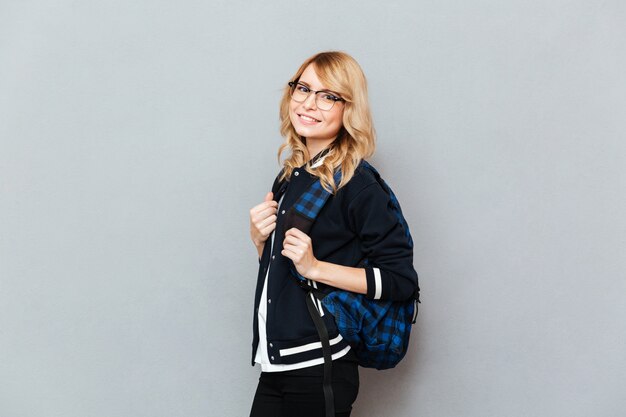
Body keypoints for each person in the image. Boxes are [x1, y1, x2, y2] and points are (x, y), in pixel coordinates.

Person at [248, 51, 418, 417]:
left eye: (328, 96)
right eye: (303, 88)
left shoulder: (358, 184)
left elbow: (400, 280)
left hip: (319, 366)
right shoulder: (292, 176)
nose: (309, 103)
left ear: (349, 109)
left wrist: (315, 267)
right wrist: (261, 242)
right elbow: (285, 276)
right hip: (276, 365)